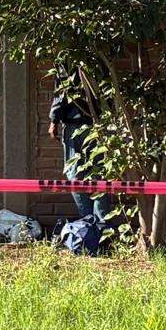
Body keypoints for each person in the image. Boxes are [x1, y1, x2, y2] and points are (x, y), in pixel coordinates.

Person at [47, 66, 114, 224]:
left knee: (75, 174)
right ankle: (100, 227)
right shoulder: (98, 56)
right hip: (99, 124)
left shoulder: (67, 58)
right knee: (100, 175)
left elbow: (62, 90)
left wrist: (53, 120)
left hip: (76, 124)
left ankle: (89, 224)